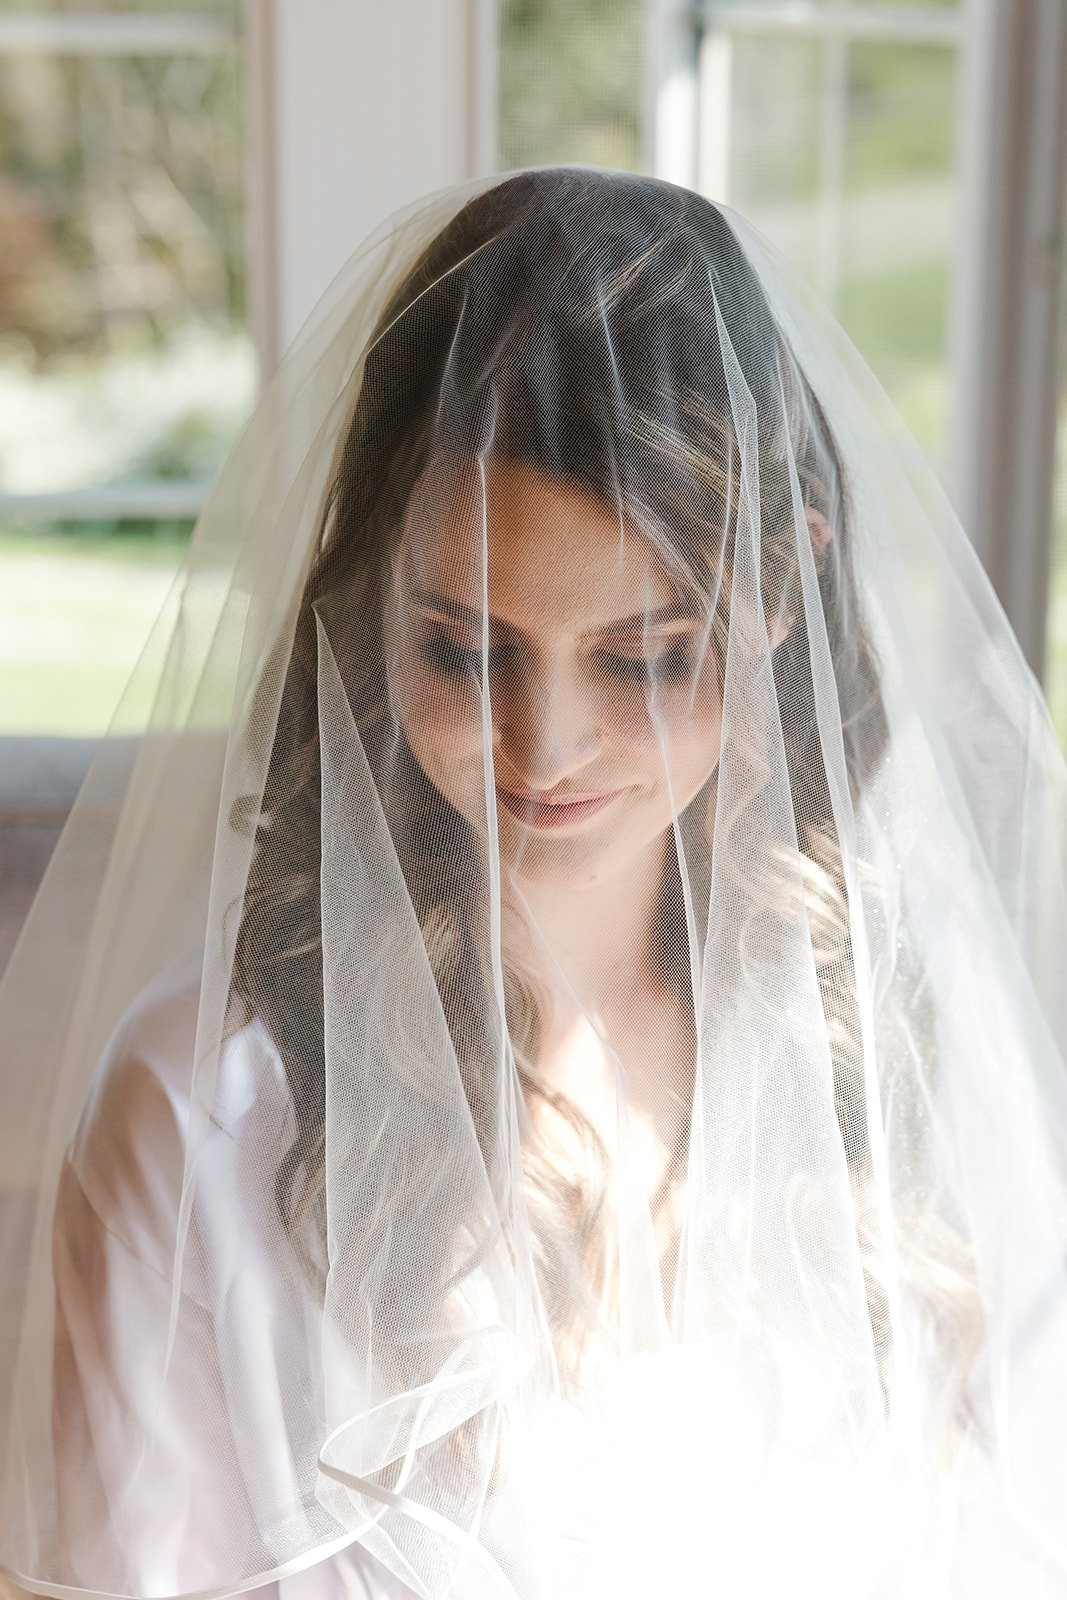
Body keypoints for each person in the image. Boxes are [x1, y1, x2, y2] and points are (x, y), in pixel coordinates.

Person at [2, 166, 1066, 1600]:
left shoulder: (903, 1037)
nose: (544, 746)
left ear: (781, 591)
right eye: (464, 646)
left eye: (642, 657)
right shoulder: (204, 1121)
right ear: (372, 601)